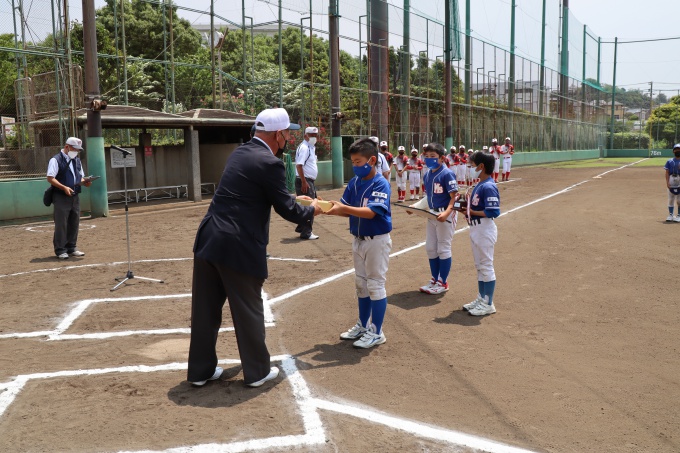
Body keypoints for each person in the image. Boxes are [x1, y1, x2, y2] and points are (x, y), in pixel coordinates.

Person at [188, 108, 322, 387]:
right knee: (248, 309)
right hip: (238, 244)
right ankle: (258, 372)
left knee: (205, 310)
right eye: (287, 133)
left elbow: (259, 192)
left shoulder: (240, 152)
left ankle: (200, 371)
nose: (289, 138)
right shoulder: (270, 162)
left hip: (209, 238)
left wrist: (292, 200)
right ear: (278, 134)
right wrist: (312, 210)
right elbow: (287, 209)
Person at [326, 138, 392, 349]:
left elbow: (372, 212)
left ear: (372, 160)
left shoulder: (380, 183)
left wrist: (342, 208)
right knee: (361, 284)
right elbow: (344, 209)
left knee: (375, 285)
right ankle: (363, 325)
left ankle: (376, 332)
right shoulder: (355, 182)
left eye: (358, 162)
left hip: (376, 241)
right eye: (353, 162)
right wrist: (320, 207)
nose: (355, 166)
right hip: (358, 239)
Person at [457, 151, 501, 316]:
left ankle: (488, 303)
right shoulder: (480, 185)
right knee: (480, 266)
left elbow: (493, 211)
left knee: (486, 266)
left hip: (484, 228)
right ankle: (482, 298)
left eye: (473, 165)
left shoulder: (488, 186)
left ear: (481, 166)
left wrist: (471, 212)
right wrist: (466, 210)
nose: (470, 167)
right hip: (476, 228)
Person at [417, 143, 459, 295]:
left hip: (445, 214)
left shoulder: (447, 174)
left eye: (433, 156)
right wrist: (415, 206)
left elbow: (455, 197)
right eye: (427, 156)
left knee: (443, 248)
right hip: (432, 214)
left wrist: (447, 213)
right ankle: (434, 279)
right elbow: (429, 197)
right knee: (430, 248)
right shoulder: (427, 174)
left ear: (442, 158)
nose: (429, 159)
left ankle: (443, 282)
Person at [46, 137, 92, 259]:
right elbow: (50, 178)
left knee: (74, 222)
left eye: (78, 150)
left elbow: (80, 177)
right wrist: (64, 187)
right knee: (61, 223)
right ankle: (60, 249)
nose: (77, 152)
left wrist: (86, 182)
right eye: (75, 149)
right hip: (61, 196)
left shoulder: (77, 160)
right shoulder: (56, 160)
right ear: (67, 147)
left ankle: (71, 247)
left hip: (74, 195)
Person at [294, 126, 320, 240]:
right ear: (305, 136)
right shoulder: (305, 148)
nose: (314, 137)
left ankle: (301, 227)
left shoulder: (310, 147)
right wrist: (304, 182)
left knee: (305, 205)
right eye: (311, 135)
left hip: (307, 180)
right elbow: (299, 165)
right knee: (310, 206)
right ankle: (306, 232)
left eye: (315, 135)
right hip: (304, 180)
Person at [664, 143, 680, 222]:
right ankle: (670, 215)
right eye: (676, 150)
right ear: (673, 151)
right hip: (671, 178)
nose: (677, 151)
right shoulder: (669, 161)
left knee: (679, 200)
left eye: (679, 149)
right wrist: (667, 182)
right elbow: (667, 172)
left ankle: (679, 215)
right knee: (671, 198)